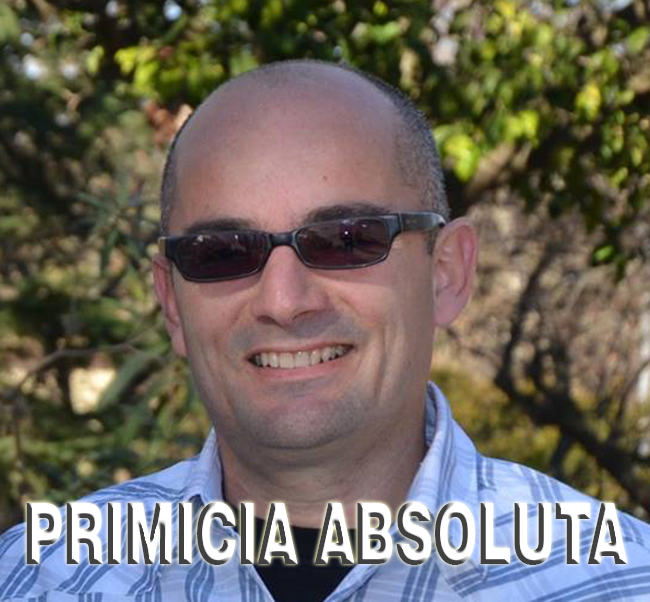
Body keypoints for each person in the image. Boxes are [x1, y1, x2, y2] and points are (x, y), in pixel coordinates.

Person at [1, 59, 650, 602]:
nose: (283, 302)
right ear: (171, 302)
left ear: (447, 273)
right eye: (222, 251)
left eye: (346, 240)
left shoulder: (614, 582)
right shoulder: (38, 579)